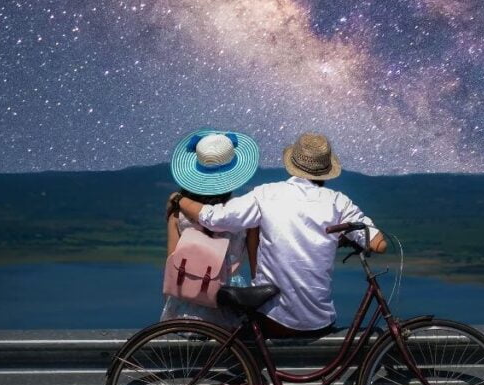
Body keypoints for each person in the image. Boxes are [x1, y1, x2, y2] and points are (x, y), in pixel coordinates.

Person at [172, 132, 386, 336]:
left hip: (272, 319)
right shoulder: (339, 202)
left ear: (293, 164)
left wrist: (178, 200)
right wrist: (344, 239)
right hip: (319, 322)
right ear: (326, 171)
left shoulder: (266, 194)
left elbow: (215, 218)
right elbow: (378, 244)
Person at [162, 130, 260, 329]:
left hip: (185, 303)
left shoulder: (177, 213)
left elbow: (172, 261)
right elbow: (256, 268)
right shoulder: (244, 214)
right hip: (227, 300)